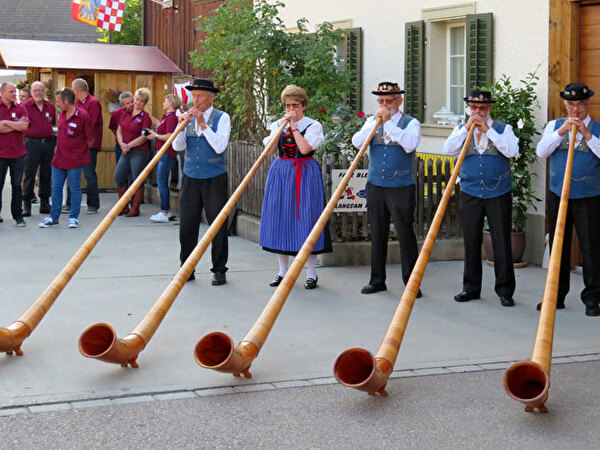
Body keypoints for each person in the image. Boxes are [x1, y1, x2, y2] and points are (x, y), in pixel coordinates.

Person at [443, 89, 519, 307]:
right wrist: (467, 128)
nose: (478, 112)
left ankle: (505, 290)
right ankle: (470, 288)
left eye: (483, 108)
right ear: (469, 109)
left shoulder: (504, 129)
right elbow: (448, 149)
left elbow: (512, 150)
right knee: (471, 240)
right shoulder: (461, 130)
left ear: (490, 109)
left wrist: (489, 131)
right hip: (470, 191)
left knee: (501, 241)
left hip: (498, 191)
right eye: (474, 108)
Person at [536, 82, 600, 317]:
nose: (575, 110)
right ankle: (556, 296)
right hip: (558, 195)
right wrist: (561, 131)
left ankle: (592, 299)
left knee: (591, 248)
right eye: (571, 105)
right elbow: (541, 152)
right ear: (565, 105)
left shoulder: (597, 129)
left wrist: (587, 135)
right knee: (558, 247)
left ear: (587, 104)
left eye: (580, 104)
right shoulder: (554, 126)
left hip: (588, 196)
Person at [352, 82, 420, 296]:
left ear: (399, 101)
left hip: (401, 186)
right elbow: (357, 142)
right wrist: (373, 125)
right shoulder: (372, 121)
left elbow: (409, 144)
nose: (384, 105)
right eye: (381, 101)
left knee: (405, 234)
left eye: (388, 101)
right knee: (378, 233)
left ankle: (411, 283)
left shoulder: (410, 123)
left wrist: (388, 123)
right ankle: (377, 280)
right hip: (376, 185)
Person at [259, 85, 331, 289]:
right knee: (281, 217)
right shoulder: (277, 124)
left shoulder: (313, 125)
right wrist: (280, 128)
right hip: (282, 172)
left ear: (303, 105)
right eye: (287, 105)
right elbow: (270, 150)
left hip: (305, 173)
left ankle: (311, 273)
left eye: (295, 105)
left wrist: (294, 127)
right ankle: (282, 271)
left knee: (308, 218)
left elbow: (305, 148)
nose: (291, 109)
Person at [172, 79, 231, 285]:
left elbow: (219, 147)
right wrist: (180, 127)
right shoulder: (186, 117)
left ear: (211, 97)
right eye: (193, 96)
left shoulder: (222, 118)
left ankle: (219, 269)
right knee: (187, 224)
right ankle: (186, 268)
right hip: (190, 177)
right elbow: (178, 147)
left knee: (217, 225)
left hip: (214, 178)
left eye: (199, 96)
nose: (194, 100)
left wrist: (203, 124)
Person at [39, 88, 94, 229]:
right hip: (59, 159)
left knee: (74, 188)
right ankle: (54, 217)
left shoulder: (83, 115)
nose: (57, 103)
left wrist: (78, 151)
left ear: (66, 100)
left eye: (58, 101)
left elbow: (90, 139)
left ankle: (73, 218)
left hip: (75, 160)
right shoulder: (62, 115)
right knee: (56, 188)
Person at [114, 87, 152, 217]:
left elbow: (144, 137)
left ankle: (135, 209)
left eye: (142, 101)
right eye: (137, 99)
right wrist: (122, 144)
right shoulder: (126, 113)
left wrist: (128, 146)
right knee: (118, 177)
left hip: (139, 152)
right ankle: (123, 207)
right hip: (126, 150)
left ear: (144, 103)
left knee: (137, 180)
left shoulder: (145, 117)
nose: (138, 102)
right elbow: (119, 130)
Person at [67, 78, 102, 215]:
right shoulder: (76, 103)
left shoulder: (93, 103)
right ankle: (70, 204)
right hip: (76, 145)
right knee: (72, 174)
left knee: (89, 174)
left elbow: (90, 124)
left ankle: (93, 204)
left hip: (89, 145)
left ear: (76, 90)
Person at [22, 81, 56, 217]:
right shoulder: (24, 107)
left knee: (46, 175)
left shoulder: (51, 107)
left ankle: (44, 203)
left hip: (48, 144)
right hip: (31, 144)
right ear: (31, 92)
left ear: (45, 92)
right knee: (29, 175)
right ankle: (26, 205)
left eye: (40, 90)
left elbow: (53, 124)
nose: (38, 93)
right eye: (35, 90)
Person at [147, 94, 181, 223]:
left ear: (171, 103)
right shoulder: (167, 116)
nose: (163, 103)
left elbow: (169, 136)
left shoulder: (172, 118)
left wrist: (155, 135)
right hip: (161, 152)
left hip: (166, 152)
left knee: (162, 181)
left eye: (165, 101)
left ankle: (164, 211)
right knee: (162, 181)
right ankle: (165, 210)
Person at [0, 82, 29, 227]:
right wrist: (14, 125)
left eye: (15, 92)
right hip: (1, 154)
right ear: (3, 92)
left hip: (18, 154)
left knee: (17, 185)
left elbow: (24, 126)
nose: (14, 94)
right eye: (11, 92)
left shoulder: (21, 108)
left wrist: (5, 123)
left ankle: (18, 215)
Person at [108, 91, 133, 164]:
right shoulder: (116, 114)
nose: (131, 104)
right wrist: (121, 139)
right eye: (128, 103)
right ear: (122, 105)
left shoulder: (138, 112)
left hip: (136, 147)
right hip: (120, 147)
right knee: (121, 172)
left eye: (132, 101)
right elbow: (113, 128)